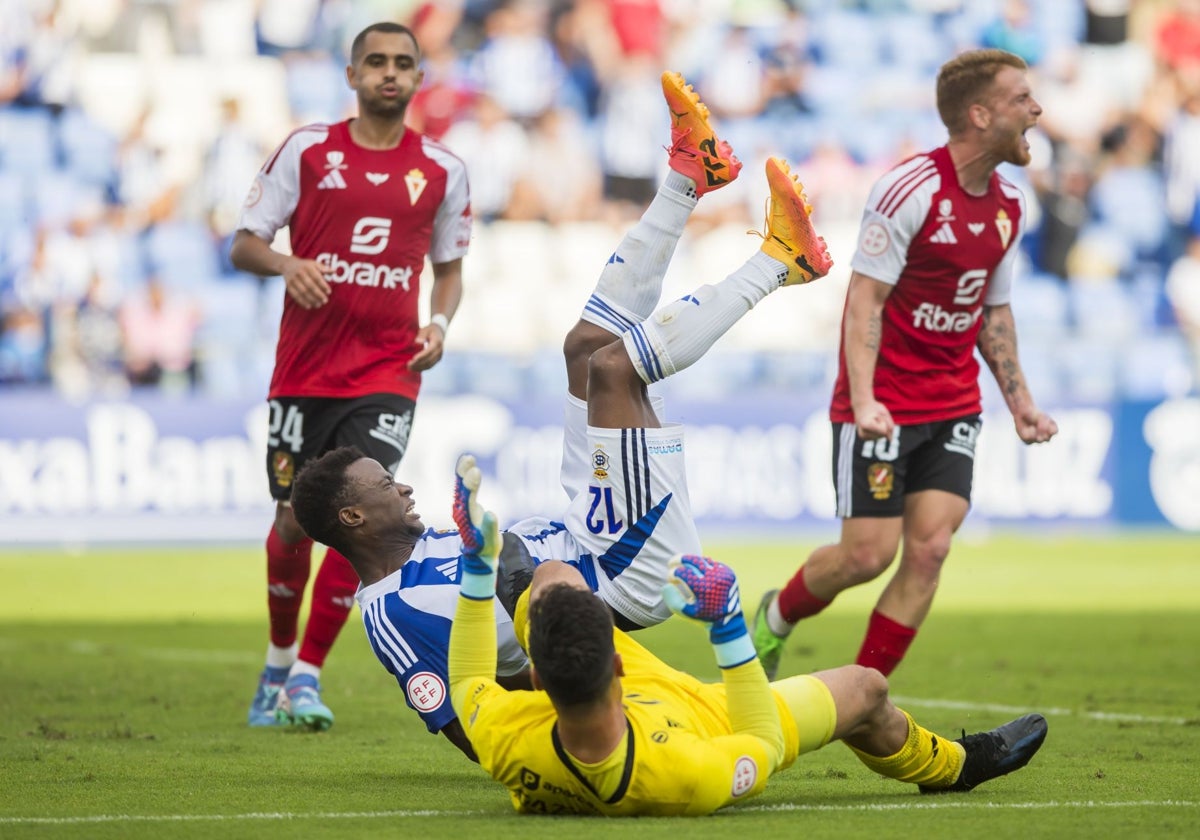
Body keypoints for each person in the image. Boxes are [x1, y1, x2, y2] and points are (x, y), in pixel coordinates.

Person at [287, 71, 831, 757]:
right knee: (614, 371)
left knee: (584, 349)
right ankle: (782, 263)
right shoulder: (395, 613)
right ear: (353, 518)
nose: (401, 484)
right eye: (382, 485)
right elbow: (467, 721)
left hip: (584, 522)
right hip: (622, 571)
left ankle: (691, 173)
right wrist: (555, 751)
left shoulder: (419, 546)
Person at [446, 469, 1049, 816]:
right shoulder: (683, 775)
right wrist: (729, 626)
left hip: (593, 702)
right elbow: (758, 742)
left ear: (533, 681)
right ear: (619, 668)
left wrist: (477, 566)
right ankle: (958, 766)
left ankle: (508, 572)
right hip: (712, 720)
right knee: (867, 690)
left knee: (554, 578)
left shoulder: (508, 734)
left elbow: (470, 683)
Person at [751, 48, 1059, 681]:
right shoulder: (910, 189)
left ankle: (863, 692)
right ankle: (776, 614)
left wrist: (1020, 403)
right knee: (865, 556)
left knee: (931, 548)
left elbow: (992, 313)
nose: (1037, 109)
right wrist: (863, 399)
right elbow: (865, 298)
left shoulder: (1010, 206)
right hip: (883, 403)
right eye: (1022, 98)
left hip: (953, 403)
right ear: (979, 114)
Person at [229, 21, 472, 730]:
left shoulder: (444, 170)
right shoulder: (308, 151)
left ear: (418, 77)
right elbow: (245, 244)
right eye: (376, 62)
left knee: (359, 518)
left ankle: (305, 678)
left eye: (402, 63)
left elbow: (450, 271)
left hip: (389, 370)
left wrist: (440, 324)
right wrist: (287, 264)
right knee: (289, 522)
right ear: (352, 75)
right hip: (304, 373)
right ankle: (276, 665)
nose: (389, 73)